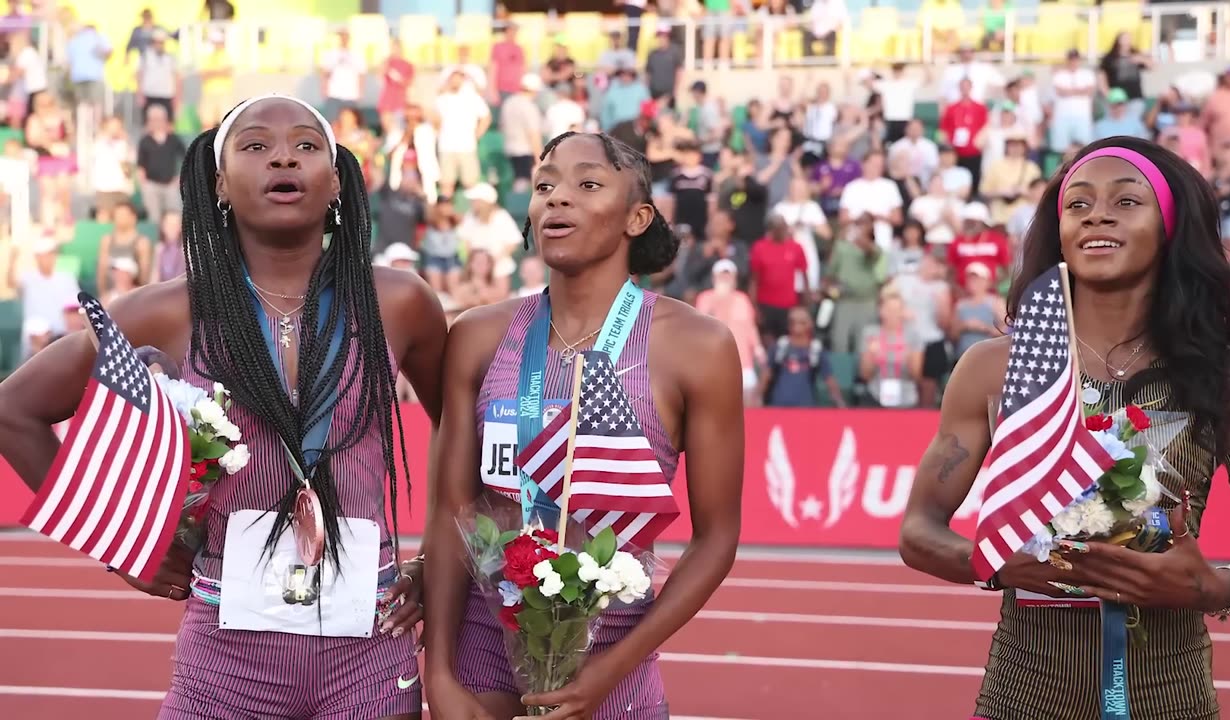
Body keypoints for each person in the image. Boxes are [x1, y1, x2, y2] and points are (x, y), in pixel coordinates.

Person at [0, 95, 448, 720]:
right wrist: (125, 546)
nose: (284, 156)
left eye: (306, 145)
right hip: (226, 658)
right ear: (219, 185)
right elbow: (13, 409)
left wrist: (437, 559)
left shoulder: (399, 302)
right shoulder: (165, 312)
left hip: (371, 649)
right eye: (256, 145)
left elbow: (464, 428)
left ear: (338, 180)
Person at [898, 136, 1230, 719]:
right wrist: (991, 561)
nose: (1097, 213)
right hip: (1020, 697)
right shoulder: (993, 367)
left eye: (1126, 201)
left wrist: (1214, 587)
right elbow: (918, 531)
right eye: (1078, 204)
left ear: (1171, 228)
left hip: (1170, 700)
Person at [422, 131, 744, 720]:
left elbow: (717, 537)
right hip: (481, 652)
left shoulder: (698, 347)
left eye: (587, 184)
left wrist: (611, 667)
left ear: (637, 217)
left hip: (613, 654)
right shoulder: (477, 335)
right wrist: (438, 672)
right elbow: (453, 511)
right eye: (544, 186)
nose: (557, 199)